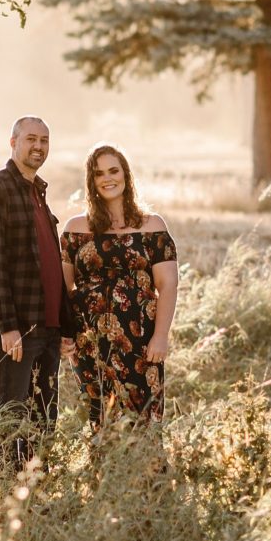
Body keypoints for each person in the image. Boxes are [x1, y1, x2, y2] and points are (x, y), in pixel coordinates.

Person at [0, 116, 75, 476]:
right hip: (17, 327)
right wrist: (7, 326)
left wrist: (65, 327)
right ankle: (3, 484)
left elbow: (51, 267)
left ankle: (34, 481)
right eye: (31, 138)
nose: (39, 146)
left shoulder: (37, 193)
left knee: (45, 412)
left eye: (45, 140)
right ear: (12, 141)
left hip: (46, 326)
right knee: (10, 411)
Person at [60, 143, 178, 427]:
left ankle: (149, 472)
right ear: (91, 182)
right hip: (89, 342)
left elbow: (169, 284)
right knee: (100, 418)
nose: (107, 178)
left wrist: (160, 336)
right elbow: (62, 290)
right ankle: (103, 472)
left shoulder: (152, 226)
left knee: (144, 418)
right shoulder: (75, 229)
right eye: (99, 173)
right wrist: (64, 335)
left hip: (141, 342)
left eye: (114, 170)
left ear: (126, 175)